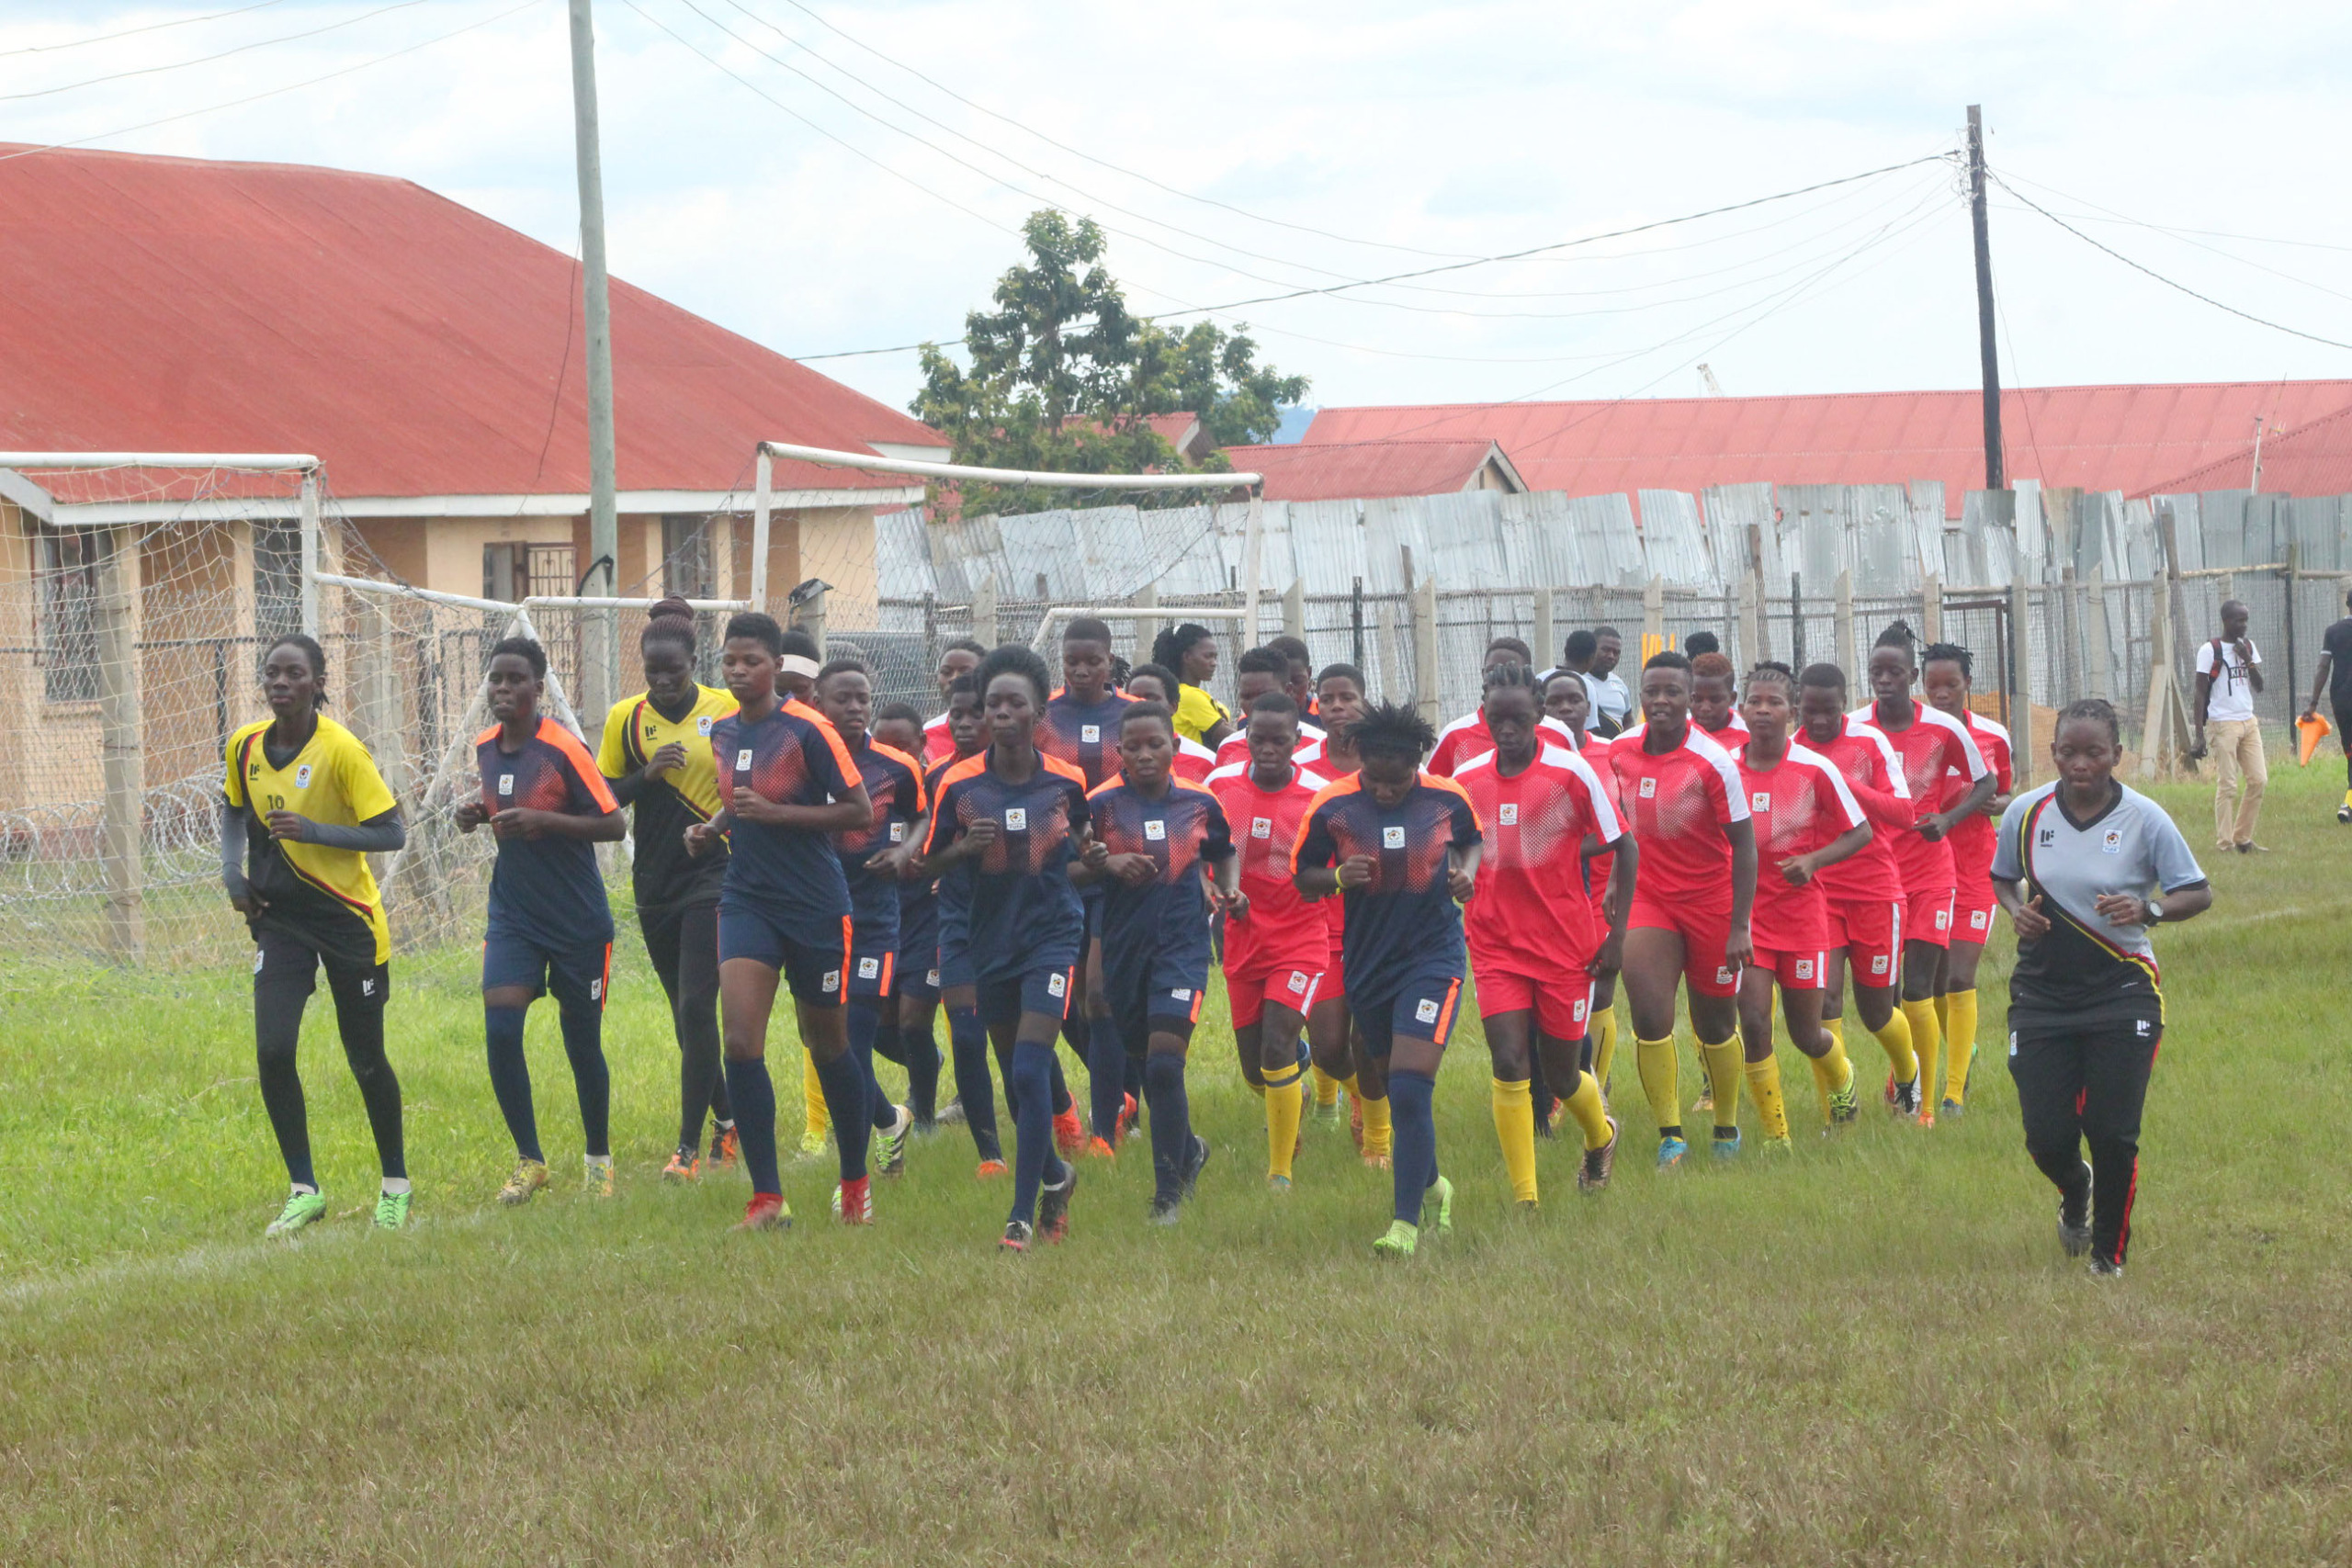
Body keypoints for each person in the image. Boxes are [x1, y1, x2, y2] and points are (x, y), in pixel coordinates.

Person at [1993, 698, 2211, 1277]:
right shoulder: (2025, 811)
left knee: (2113, 1132)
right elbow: (2003, 880)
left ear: (2117, 754)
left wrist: (2150, 908)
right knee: (2046, 1135)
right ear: (2054, 753)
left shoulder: (2145, 818)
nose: (2080, 763)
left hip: (2123, 989)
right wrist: (2017, 911)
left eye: (2094, 752)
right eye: (2068, 751)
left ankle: (2107, 1258)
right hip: (2040, 994)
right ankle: (2075, 1186)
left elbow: (2197, 891)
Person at [684, 612, 876, 1232]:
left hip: (816, 903)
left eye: (750, 661)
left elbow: (857, 810)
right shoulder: (721, 732)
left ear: (775, 667)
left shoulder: (808, 729)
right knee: (740, 1039)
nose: (738, 671)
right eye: (729, 661)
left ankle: (854, 1182)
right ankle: (768, 1198)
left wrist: (774, 813)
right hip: (746, 897)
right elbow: (739, 798)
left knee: (827, 1042)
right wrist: (712, 828)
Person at [221, 635, 410, 1235]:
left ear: (317, 680)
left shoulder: (342, 751)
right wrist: (233, 872)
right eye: (272, 673)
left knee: (366, 1059)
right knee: (273, 1050)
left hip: (347, 921)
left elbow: (391, 833)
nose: (280, 682)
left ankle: (395, 1184)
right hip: (279, 920)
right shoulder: (244, 744)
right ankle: (304, 1188)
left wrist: (314, 830)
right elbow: (231, 808)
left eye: (294, 673)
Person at [1294, 701, 1483, 1259]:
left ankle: (1404, 1224)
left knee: (1408, 1082)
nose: (1384, 790)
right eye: (1374, 779)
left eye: (1397, 782)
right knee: (1391, 1082)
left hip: (1434, 958)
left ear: (1417, 765)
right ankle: (1434, 1186)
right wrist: (1333, 877)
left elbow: (1472, 840)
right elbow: (1303, 878)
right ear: (1360, 764)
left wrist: (1464, 875)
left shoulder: (1448, 798)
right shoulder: (1333, 805)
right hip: (1368, 964)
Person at [923, 644, 1092, 1251]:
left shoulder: (1067, 781)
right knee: (1009, 1064)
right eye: (992, 703)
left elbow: (1081, 839)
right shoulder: (958, 784)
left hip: (1050, 936)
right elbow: (928, 862)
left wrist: (1093, 855)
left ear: (1037, 711)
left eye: (1012, 703)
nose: (999, 713)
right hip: (986, 939)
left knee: (1027, 1070)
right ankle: (1054, 1177)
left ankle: (1020, 1217)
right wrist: (963, 850)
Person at [456, 637, 627, 1205]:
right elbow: (502, 802)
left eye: (514, 680)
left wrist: (542, 821)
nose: (502, 690)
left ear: (538, 685)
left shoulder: (563, 748)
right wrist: (477, 814)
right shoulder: (484, 747)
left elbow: (612, 825)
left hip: (577, 920)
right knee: (501, 1029)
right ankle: (530, 1160)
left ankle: (598, 1159)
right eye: (495, 680)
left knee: (582, 1045)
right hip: (514, 915)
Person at [1453, 663, 1629, 1203]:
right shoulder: (1467, 781)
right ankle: (1525, 1197)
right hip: (1494, 944)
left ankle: (1601, 1135)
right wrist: (1455, 875)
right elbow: (1452, 848)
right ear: (1485, 712)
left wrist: (1616, 937)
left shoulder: (1571, 773)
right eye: (1496, 716)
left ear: (1537, 711)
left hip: (1564, 947)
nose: (1506, 727)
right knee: (1507, 1061)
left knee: (1560, 1075)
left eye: (1518, 716)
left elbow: (1624, 843)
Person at [1078, 702, 1239, 1221]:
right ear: (1118, 751)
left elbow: (1222, 851)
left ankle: (1168, 1192)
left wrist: (1229, 889)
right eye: (1134, 747)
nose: (1145, 755)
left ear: (1175, 746)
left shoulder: (1199, 801)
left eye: (1157, 745)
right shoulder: (1098, 805)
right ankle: (1188, 1149)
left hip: (1182, 949)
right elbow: (1066, 870)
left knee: (1167, 1063)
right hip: (1124, 953)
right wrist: (1107, 863)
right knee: (1146, 1064)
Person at [598, 603, 739, 1183]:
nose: (661, 682)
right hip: (654, 878)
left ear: (694, 664)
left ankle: (687, 1150)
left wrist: (717, 829)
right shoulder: (625, 719)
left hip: (715, 870)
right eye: (652, 672)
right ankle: (729, 1122)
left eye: (673, 672)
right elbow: (604, 799)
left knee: (697, 1004)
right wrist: (645, 775)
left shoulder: (725, 710)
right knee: (684, 1017)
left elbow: (752, 779)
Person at [1606, 649, 1755, 1166]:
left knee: (1715, 1024)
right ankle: (1671, 1134)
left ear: (1691, 699)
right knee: (1649, 1016)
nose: (1662, 701)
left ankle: (1726, 1126)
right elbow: (1620, 824)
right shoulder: (1620, 750)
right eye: (1652, 692)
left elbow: (1745, 844)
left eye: (1673, 692)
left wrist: (1740, 925)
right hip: (1648, 897)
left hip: (1711, 901)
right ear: (1640, 696)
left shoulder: (1712, 760)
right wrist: (1613, 882)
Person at [1854, 626, 1993, 1123]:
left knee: (1922, 988)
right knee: (1885, 997)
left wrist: (1949, 820)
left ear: (1911, 675)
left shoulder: (1944, 729)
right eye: (1877, 672)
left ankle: (1931, 1104)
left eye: (1895, 672)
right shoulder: (1856, 731)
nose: (1885, 680)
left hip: (1936, 874)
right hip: (1877, 876)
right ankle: (1906, 1072)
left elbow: (1988, 782)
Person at [1732, 663, 1873, 1145]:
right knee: (1752, 1020)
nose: (1764, 710)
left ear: (1792, 711)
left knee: (1806, 1034)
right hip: (1748, 921)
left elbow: (1861, 831)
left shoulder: (1815, 769)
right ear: (1742, 708)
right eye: (1755, 701)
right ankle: (1778, 1138)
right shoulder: (1725, 770)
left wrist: (1813, 860)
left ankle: (1841, 1081)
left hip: (1802, 920)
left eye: (1774, 702)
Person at [1208, 692, 1335, 1190]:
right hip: (1243, 939)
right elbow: (1209, 852)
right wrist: (1221, 891)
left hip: (1302, 938)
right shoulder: (1219, 787)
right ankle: (1295, 1088)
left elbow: (1336, 864)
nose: (1266, 748)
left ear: (1297, 741)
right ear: (1245, 738)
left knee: (1278, 1044)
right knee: (1255, 1071)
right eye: (1256, 738)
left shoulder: (1320, 797)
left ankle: (1279, 1173)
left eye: (1278, 740)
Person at [1796, 663, 1925, 1126]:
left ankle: (1908, 1074)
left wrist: (1844, 785)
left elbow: (1905, 813)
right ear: (1798, 707)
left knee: (1875, 1012)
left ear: (1844, 704)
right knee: (1824, 1002)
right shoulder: (1794, 751)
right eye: (1810, 712)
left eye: (1829, 711)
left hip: (1875, 893)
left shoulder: (1870, 744)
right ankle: (1839, 1105)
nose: (1820, 722)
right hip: (1820, 895)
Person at [813, 658, 922, 1187]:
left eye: (863, 699)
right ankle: (888, 1119)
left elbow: (921, 817)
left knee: (853, 1039)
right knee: (824, 1042)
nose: (855, 708)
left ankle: (850, 1175)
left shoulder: (896, 767)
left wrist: (903, 855)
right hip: (815, 915)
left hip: (875, 919)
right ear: (818, 703)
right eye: (843, 699)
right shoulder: (804, 761)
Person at [1038, 616, 1137, 1156]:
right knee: (1071, 1005)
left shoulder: (1132, 715)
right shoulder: (1045, 715)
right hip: (1061, 870)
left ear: (1108, 659)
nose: (1081, 669)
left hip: (1117, 872)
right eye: (1072, 660)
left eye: (1091, 660)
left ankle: (1105, 1129)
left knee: (1100, 998)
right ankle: (1120, 1093)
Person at [911, 675, 1012, 1176]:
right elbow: (929, 863)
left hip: (1018, 922)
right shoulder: (942, 779)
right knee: (968, 1037)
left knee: (1015, 1041)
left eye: (979, 713)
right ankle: (990, 1154)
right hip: (957, 920)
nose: (967, 723)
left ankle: (1054, 1117)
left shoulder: (1040, 776)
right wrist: (963, 849)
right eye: (958, 714)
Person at [1920, 643, 2013, 1119]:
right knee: (1931, 983)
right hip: (1925, 871)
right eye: (1931, 686)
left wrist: (1981, 804)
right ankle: (1962, 1047)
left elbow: (2004, 795)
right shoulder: (1914, 736)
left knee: (1960, 975)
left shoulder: (1992, 736)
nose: (1940, 694)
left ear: (1967, 686)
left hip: (1977, 870)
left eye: (1950, 686)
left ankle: (1954, 1092)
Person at [1310, 662, 1388, 1153]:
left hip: (1382, 924)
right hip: (1322, 929)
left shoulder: (1388, 764)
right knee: (1330, 1048)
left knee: (1372, 1039)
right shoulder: (1301, 766)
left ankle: (1379, 1143)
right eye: (1328, 698)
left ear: (1364, 702)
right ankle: (1358, 1094)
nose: (1338, 707)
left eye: (1347, 697)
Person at [1544, 670, 1625, 1103]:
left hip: (1601, 893)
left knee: (1600, 989)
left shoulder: (1613, 754)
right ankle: (1564, 1085)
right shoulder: (1534, 759)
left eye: (1574, 700)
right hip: (1549, 897)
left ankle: (1598, 1083)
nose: (1565, 709)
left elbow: (1628, 828)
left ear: (1588, 705)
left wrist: (1610, 873)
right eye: (1555, 702)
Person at [874, 702, 949, 1131]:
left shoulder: (942, 786)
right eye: (884, 745)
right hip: (882, 918)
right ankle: (929, 1063)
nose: (894, 754)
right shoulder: (866, 788)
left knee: (913, 1021)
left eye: (903, 745)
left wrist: (939, 865)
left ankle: (922, 1118)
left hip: (931, 919)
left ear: (922, 744)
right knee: (881, 1031)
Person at [1427, 637, 1573, 776]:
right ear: (1482, 674)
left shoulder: (1558, 734)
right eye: (1492, 671)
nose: (1502, 676)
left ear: (1528, 675)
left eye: (1512, 670)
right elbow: (1432, 791)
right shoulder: (1455, 735)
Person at [2192, 599, 2267, 854]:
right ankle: (2225, 844)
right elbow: (2200, 693)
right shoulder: (2209, 650)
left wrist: (2248, 659)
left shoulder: (2248, 646)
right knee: (2228, 784)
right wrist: (2199, 734)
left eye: (2246, 620)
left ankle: (2243, 838)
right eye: (2239, 620)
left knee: (2258, 780)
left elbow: (2259, 686)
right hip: (2223, 723)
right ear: (2226, 621)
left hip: (2248, 721)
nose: (2244, 625)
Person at [1213, 646, 1325, 770]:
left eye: (1264, 695)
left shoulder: (1319, 744)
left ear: (1288, 690)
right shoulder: (1228, 749)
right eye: (1246, 696)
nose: (1255, 704)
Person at [2299, 584, 2352, 825]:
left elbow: (2323, 667)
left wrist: (2313, 703)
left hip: (2342, 699)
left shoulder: (2333, 632)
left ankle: (2349, 804)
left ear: (2347, 604)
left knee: (2351, 752)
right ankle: (2348, 804)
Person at [1125, 662, 1221, 781]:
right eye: (1133, 698)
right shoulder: (1114, 755)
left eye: (1151, 698)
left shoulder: (1205, 761)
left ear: (1173, 706)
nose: (1141, 704)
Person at [1151, 623, 1234, 749]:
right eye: (1208, 656)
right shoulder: (1189, 696)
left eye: (1215, 657)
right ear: (1187, 657)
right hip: (1199, 767)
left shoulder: (1181, 692)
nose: (1214, 663)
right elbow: (1229, 738)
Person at [922, 638, 988, 763]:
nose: (953, 678)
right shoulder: (929, 732)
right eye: (946, 672)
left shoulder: (998, 727)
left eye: (965, 672)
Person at [1586, 626, 1634, 737]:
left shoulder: (1619, 684)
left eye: (1616, 652)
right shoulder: (1577, 682)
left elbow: (1628, 720)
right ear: (1591, 649)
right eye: (1605, 650)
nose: (1611, 656)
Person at [1267, 633, 1320, 718]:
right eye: (1281, 683)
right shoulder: (1251, 721)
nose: (1289, 690)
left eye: (1297, 681)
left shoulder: (1324, 716)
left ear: (1309, 673)